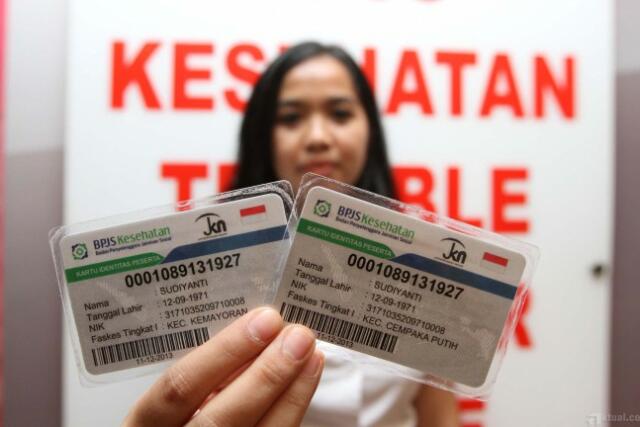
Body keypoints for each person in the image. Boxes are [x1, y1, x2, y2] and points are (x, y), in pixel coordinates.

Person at [125, 42, 459, 427]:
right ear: (262, 137)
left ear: (370, 128)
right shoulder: (210, 268)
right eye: (290, 118)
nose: (317, 136)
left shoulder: (422, 262)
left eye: (340, 113)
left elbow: (440, 418)